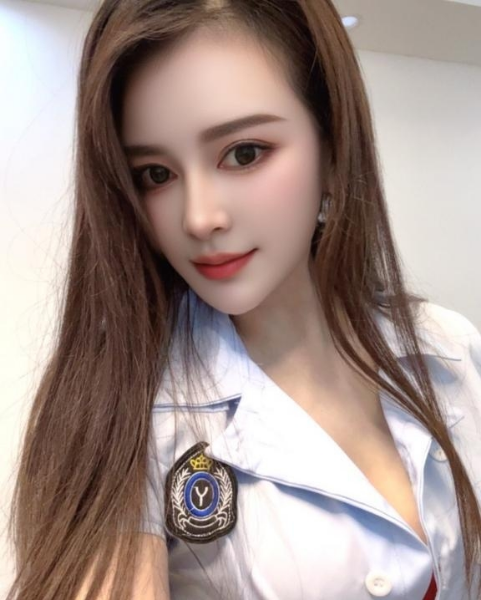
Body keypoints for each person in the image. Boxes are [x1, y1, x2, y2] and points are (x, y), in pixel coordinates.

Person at [5, 0, 481, 599]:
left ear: (333, 145)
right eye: (156, 174)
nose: (199, 218)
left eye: (244, 153)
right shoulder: (121, 403)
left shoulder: (448, 346)